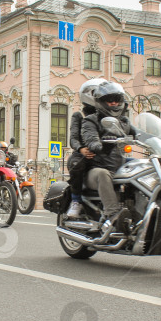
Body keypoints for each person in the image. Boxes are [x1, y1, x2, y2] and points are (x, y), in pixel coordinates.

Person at [81, 81, 135, 229]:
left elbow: (141, 135)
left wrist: (157, 140)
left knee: (141, 167)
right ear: (100, 102)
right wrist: (99, 145)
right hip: (94, 169)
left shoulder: (123, 122)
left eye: (116, 100)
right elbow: (90, 139)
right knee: (103, 174)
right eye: (109, 100)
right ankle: (113, 214)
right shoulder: (90, 121)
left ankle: (136, 211)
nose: (113, 103)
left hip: (117, 166)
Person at [66, 79, 104, 218]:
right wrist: (81, 148)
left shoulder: (107, 114)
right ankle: (76, 201)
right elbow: (73, 138)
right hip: (84, 153)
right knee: (77, 164)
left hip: (102, 152)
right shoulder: (79, 115)